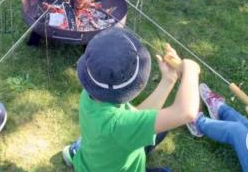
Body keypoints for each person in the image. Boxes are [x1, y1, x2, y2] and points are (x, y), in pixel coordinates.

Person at [61, 28, 201, 172]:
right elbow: (186, 112)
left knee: (160, 128)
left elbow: (134, 116)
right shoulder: (119, 125)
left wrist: (168, 80)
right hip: (116, 151)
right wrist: (191, 70)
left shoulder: (89, 93)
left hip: (94, 159)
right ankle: (78, 148)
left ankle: (77, 150)